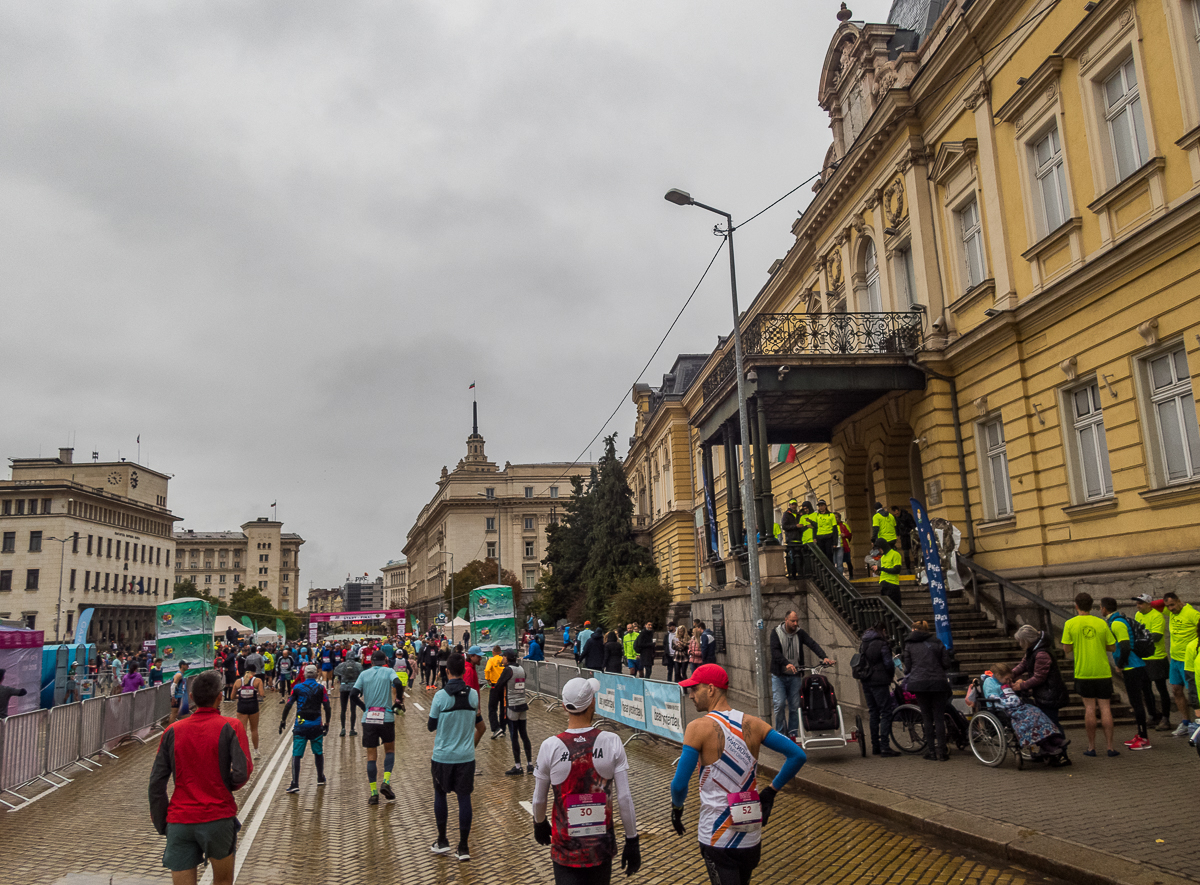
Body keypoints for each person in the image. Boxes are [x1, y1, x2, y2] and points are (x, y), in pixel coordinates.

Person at [670, 664, 806, 885]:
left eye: (695, 688)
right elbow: (797, 756)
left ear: (711, 689)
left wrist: (677, 808)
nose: (691, 695)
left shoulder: (698, 728)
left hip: (717, 836)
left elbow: (678, 785)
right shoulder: (755, 724)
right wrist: (771, 792)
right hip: (750, 836)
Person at [531, 676, 641, 884]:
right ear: (593, 702)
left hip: (565, 848)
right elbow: (624, 798)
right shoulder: (612, 742)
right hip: (600, 848)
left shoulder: (550, 746)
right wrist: (632, 840)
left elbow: (538, 799)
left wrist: (539, 822)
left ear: (564, 706)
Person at [149, 670, 252, 885]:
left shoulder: (172, 730)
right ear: (220, 696)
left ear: (192, 698)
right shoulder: (232, 726)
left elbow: (156, 783)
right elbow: (242, 772)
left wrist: (163, 822)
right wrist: (224, 785)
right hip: (218, 818)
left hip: (180, 820)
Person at [428, 653, 486, 862]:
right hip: (465, 757)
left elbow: (431, 726)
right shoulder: (472, 695)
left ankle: (442, 840)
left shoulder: (441, 696)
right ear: (464, 671)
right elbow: (480, 724)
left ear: (446, 671)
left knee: (440, 795)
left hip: (443, 755)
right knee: (464, 799)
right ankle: (463, 847)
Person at [1061, 592, 1118, 757]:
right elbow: (1113, 647)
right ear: (1092, 606)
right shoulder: (1101, 623)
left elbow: (1066, 649)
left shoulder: (1070, 623)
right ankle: (1110, 747)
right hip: (1102, 671)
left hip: (1083, 672)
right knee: (1106, 708)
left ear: (1076, 606)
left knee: (1090, 708)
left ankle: (1092, 747)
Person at [983, 664, 1069, 765]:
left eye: (1010, 678)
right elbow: (994, 699)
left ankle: (1053, 738)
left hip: (1015, 705)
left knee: (1036, 711)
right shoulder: (989, 683)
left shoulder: (1004, 682)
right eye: (1007, 679)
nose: (1009, 681)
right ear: (997, 675)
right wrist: (1010, 695)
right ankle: (1045, 745)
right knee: (1027, 718)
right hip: (1001, 708)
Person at [349, 650, 404, 806]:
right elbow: (398, 683)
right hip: (386, 717)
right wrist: (398, 701)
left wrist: (364, 707)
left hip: (369, 718)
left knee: (371, 755)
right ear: (385, 661)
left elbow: (353, 694)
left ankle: (373, 794)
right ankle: (385, 781)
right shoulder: (389, 671)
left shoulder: (364, 674)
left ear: (371, 662)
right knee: (390, 750)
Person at [768, 610, 833, 737]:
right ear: (786, 620)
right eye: (793, 621)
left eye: (797, 621)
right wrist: (786, 663)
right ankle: (780, 733)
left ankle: (793, 734)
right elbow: (775, 651)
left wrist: (823, 657)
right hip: (779, 676)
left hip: (795, 676)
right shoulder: (776, 633)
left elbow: (812, 644)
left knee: (795, 706)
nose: (795, 623)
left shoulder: (800, 633)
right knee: (780, 704)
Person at [1101, 597, 1151, 750]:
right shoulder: (1117, 620)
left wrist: (1120, 665)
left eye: (1101, 607)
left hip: (1132, 667)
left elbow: (1125, 646)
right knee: (1136, 702)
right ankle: (1140, 733)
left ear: (1104, 608)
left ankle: (1144, 738)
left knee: (1137, 703)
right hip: (1134, 666)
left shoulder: (1117, 623)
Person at [901, 620, 953, 761]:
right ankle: (942, 751)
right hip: (938, 683)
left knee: (927, 717)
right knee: (939, 717)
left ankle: (931, 751)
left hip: (919, 684)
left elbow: (908, 667)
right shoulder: (937, 642)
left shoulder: (909, 644)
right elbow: (946, 663)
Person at [279, 665, 331, 793]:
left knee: (297, 754)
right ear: (316, 674)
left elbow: (289, 704)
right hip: (316, 723)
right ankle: (320, 777)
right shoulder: (321, 688)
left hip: (301, 723)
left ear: (305, 674)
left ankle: (295, 782)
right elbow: (327, 706)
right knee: (318, 752)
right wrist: (327, 723)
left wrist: (283, 720)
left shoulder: (297, 688)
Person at [1011, 625, 1069, 729]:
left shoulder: (1041, 653)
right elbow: (1023, 664)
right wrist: (1011, 674)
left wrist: (1022, 686)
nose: (1020, 644)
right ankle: (1055, 744)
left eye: (1021, 641)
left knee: (1051, 722)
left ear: (1027, 640)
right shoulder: (1034, 649)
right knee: (1049, 722)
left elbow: (1039, 677)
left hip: (1049, 693)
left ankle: (1059, 744)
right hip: (1045, 692)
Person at [854, 623, 899, 756]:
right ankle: (885, 746)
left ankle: (875, 746)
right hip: (879, 681)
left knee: (873, 712)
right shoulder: (882, 644)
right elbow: (888, 663)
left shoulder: (864, 643)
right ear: (883, 630)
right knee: (885, 712)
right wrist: (890, 676)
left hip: (866, 680)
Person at [1162, 592, 1200, 736]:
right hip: (1175, 660)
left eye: (1172, 605)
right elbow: (1154, 604)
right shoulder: (1172, 612)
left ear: (1179, 601)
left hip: (1188, 661)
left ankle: (1198, 724)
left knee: (1194, 693)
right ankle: (1186, 722)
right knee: (1176, 690)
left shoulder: (1191, 613)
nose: (1170, 609)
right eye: (1167, 606)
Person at [1133, 594, 1172, 731]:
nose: (1138, 606)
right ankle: (1152, 715)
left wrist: (1141, 638)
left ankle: (1166, 718)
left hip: (1156, 657)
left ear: (1149, 604)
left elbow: (1157, 636)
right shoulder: (1138, 615)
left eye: (1141, 603)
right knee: (1145, 688)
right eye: (1137, 603)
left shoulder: (1157, 616)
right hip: (1143, 658)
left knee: (1161, 689)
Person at [497, 650, 533, 776]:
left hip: (512, 706)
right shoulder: (521, 669)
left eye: (503, 657)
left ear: (507, 658)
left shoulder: (508, 670)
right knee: (524, 735)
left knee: (514, 736)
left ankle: (518, 766)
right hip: (523, 705)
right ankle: (530, 764)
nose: (502, 659)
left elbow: (499, 685)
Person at [232, 663, 266, 758]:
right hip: (253, 706)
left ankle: (243, 751)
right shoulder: (258, 681)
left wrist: (240, 695)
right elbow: (262, 694)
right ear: (254, 672)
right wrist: (255, 693)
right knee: (254, 729)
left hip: (242, 707)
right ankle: (256, 751)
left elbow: (232, 696)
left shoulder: (238, 681)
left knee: (242, 730)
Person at [335, 653, 364, 737]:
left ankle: (343, 728)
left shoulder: (342, 665)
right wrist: (361, 690)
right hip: (354, 688)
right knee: (353, 709)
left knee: (343, 709)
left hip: (343, 687)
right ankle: (352, 729)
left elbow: (336, 672)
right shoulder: (358, 665)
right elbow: (361, 676)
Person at [484, 644, 507, 739]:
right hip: (504, 686)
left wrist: (487, 679)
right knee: (503, 707)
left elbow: (487, 670)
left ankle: (495, 728)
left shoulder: (491, 660)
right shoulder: (503, 660)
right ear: (500, 652)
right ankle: (503, 728)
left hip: (494, 685)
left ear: (493, 652)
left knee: (492, 708)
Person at [781, 499, 803, 580]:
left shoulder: (798, 514)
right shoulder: (787, 514)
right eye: (792, 504)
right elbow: (784, 526)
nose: (794, 506)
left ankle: (800, 573)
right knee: (792, 558)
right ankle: (793, 574)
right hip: (791, 540)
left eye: (795, 504)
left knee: (800, 558)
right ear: (789, 505)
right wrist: (795, 526)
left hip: (799, 539)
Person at [877, 539, 903, 609]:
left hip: (892, 584)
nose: (879, 550)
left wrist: (881, 569)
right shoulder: (883, 557)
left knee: (895, 607)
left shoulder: (895, 554)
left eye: (879, 548)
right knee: (885, 607)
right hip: (884, 584)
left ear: (883, 546)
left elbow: (897, 570)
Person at [891, 505, 916, 571]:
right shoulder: (895, 519)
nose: (897, 514)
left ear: (899, 510)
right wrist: (897, 535)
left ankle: (916, 566)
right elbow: (896, 527)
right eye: (895, 514)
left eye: (897, 513)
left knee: (914, 552)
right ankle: (908, 569)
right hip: (903, 537)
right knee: (906, 553)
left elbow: (913, 525)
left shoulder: (907, 516)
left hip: (910, 535)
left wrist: (912, 532)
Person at [813, 499, 838, 564]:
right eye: (819, 506)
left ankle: (831, 569)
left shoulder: (831, 515)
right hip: (820, 537)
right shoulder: (817, 516)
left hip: (829, 537)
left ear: (825, 506)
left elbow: (835, 530)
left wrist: (835, 542)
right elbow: (815, 528)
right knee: (821, 555)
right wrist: (814, 537)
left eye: (822, 505)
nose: (820, 507)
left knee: (829, 554)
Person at [835, 513, 853, 579]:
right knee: (839, 563)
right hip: (836, 547)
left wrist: (844, 535)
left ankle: (851, 575)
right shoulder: (832, 526)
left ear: (839, 518)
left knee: (848, 561)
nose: (835, 519)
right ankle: (841, 576)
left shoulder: (844, 525)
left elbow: (849, 535)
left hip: (845, 546)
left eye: (836, 517)